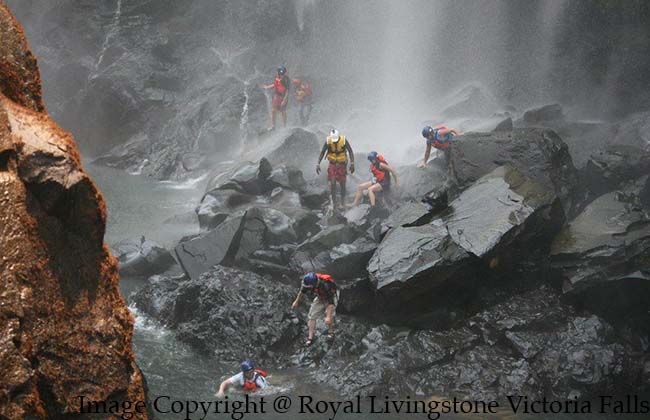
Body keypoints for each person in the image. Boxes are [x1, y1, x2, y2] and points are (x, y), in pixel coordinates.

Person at [291, 272, 339, 346]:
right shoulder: (307, 283)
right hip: (320, 297)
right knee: (312, 315)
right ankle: (310, 338)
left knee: (329, 315)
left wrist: (328, 317)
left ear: (314, 284)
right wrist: (296, 301)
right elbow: (302, 292)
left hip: (331, 297)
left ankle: (331, 333)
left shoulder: (326, 285)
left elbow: (331, 303)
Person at [316, 129, 355, 210]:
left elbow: (350, 151)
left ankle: (342, 202)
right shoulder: (328, 141)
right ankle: (334, 204)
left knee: (342, 184)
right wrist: (318, 163)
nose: (334, 142)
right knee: (333, 183)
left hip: (342, 164)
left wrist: (352, 163)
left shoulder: (343, 140)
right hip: (332, 164)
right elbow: (322, 152)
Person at [263, 66, 290, 130]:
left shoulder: (286, 80)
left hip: (283, 96)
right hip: (276, 96)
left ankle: (284, 126)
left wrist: (284, 100)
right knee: (273, 110)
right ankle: (273, 126)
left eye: (283, 74)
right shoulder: (277, 77)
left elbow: (287, 91)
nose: (282, 75)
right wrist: (267, 87)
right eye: (280, 74)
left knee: (283, 110)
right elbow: (275, 84)